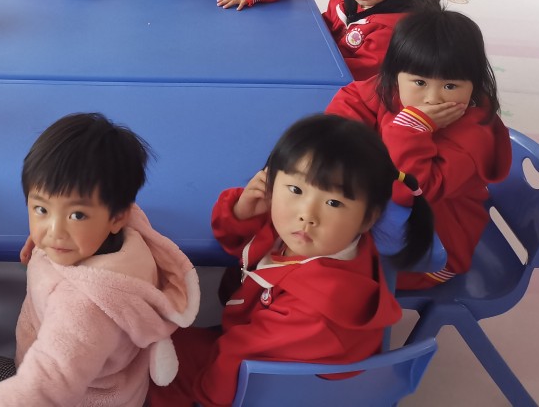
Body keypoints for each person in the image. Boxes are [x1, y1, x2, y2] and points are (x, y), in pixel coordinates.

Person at [149, 114, 433, 407]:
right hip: (261, 338)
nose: (307, 215)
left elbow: (236, 358)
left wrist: (205, 398)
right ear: (270, 184)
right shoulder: (330, 237)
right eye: (296, 190)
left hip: (276, 387)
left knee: (159, 353)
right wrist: (242, 214)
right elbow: (240, 245)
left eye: (333, 202)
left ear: (368, 218)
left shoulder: (317, 312)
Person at [0, 113, 200, 407]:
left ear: (116, 217)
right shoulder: (125, 236)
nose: (55, 231)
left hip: (72, 398)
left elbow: (47, 384)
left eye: (76, 215)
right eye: (41, 209)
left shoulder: (82, 307)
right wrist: (46, 235)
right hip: (116, 388)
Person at [327, 8, 511, 289]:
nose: (432, 98)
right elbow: (352, 101)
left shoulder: (474, 136)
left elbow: (411, 192)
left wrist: (410, 128)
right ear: (395, 74)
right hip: (388, 220)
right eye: (420, 82)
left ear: (474, 84)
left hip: (434, 252)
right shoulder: (391, 88)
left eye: (450, 86)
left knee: (328, 267)